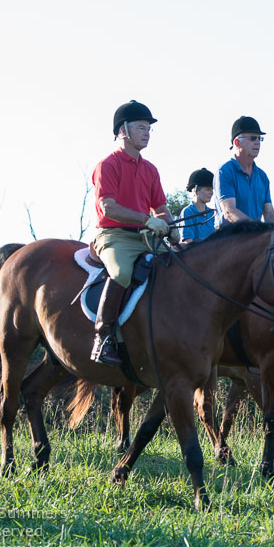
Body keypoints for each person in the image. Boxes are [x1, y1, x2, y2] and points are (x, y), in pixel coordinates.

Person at [90, 100, 179, 365]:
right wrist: (146, 219)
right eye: (141, 127)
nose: (147, 133)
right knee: (122, 273)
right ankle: (102, 338)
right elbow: (108, 207)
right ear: (123, 131)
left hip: (145, 237)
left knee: (178, 269)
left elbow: (161, 208)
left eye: (149, 129)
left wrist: (170, 227)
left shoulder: (150, 169)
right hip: (114, 235)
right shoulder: (108, 164)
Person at [214, 116, 274, 229]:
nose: (257, 142)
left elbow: (269, 213)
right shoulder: (225, 171)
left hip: (254, 239)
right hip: (229, 240)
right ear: (237, 142)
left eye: (260, 139)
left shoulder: (262, 176)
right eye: (253, 138)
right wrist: (258, 229)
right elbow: (229, 212)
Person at [179, 168, 216, 243]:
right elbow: (187, 242)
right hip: (194, 254)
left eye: (212, 189)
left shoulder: (212, 213)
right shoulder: (188, 212)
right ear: (196, 190)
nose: (211, 192)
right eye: (208, 189)